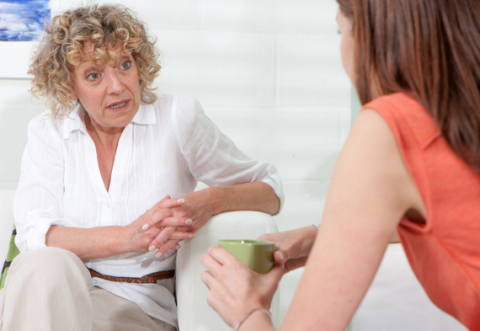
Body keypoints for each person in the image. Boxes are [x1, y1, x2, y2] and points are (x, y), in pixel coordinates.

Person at [0, 4, 283, 331]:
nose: (117, 86)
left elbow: (270, 189)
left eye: (124, 65)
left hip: (132, 309)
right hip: (47, 296)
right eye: (94, 75)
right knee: (47, 265)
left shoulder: (177, 117)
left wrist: (211, 201)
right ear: (69, 85)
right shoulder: (49, 131)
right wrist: (131, 236)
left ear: (139, 63)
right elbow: (36, 236)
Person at [200, 0, 480, 330]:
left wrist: (246, 310)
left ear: (372, 36)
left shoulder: (390, 127)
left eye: (340, 31)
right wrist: (323, 237)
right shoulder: (459, 123)